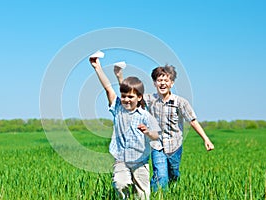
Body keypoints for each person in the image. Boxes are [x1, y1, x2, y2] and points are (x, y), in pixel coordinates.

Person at [114, 64, 215, 192]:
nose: (162, 83)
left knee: (173, 174)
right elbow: (130, 93)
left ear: (171, 83)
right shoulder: (149, 99)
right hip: (157, 145)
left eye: (166, 80)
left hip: (175, 145)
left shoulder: (180, 102)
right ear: (155, 83)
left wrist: (206, 139)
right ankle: (157, 195)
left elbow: (192, 121)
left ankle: (173, 188)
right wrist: (119, 76)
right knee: (160, 176)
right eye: (159, 80)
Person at [89, 57, 161, 200]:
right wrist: (97, 67)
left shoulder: (145, 116)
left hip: (141, 161)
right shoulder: (118, 109)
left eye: (130, 96)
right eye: (123, 96)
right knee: (120, 184)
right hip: (121, 159)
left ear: (139, 97)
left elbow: (156, 135)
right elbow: (108, 89)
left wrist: (147, 132)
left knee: (143, 195)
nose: (126, 99)